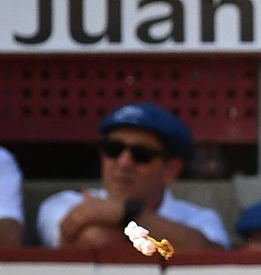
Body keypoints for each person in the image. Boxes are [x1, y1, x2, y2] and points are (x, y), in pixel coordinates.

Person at [38, 105, 229, 257]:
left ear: (172, 169)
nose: (124, 163)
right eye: (113, 149)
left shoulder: (201, 219)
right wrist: (173, 239)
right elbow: (96, 240)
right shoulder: (62, 203)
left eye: (141, 154)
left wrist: (127, 212)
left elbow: (211, 258)